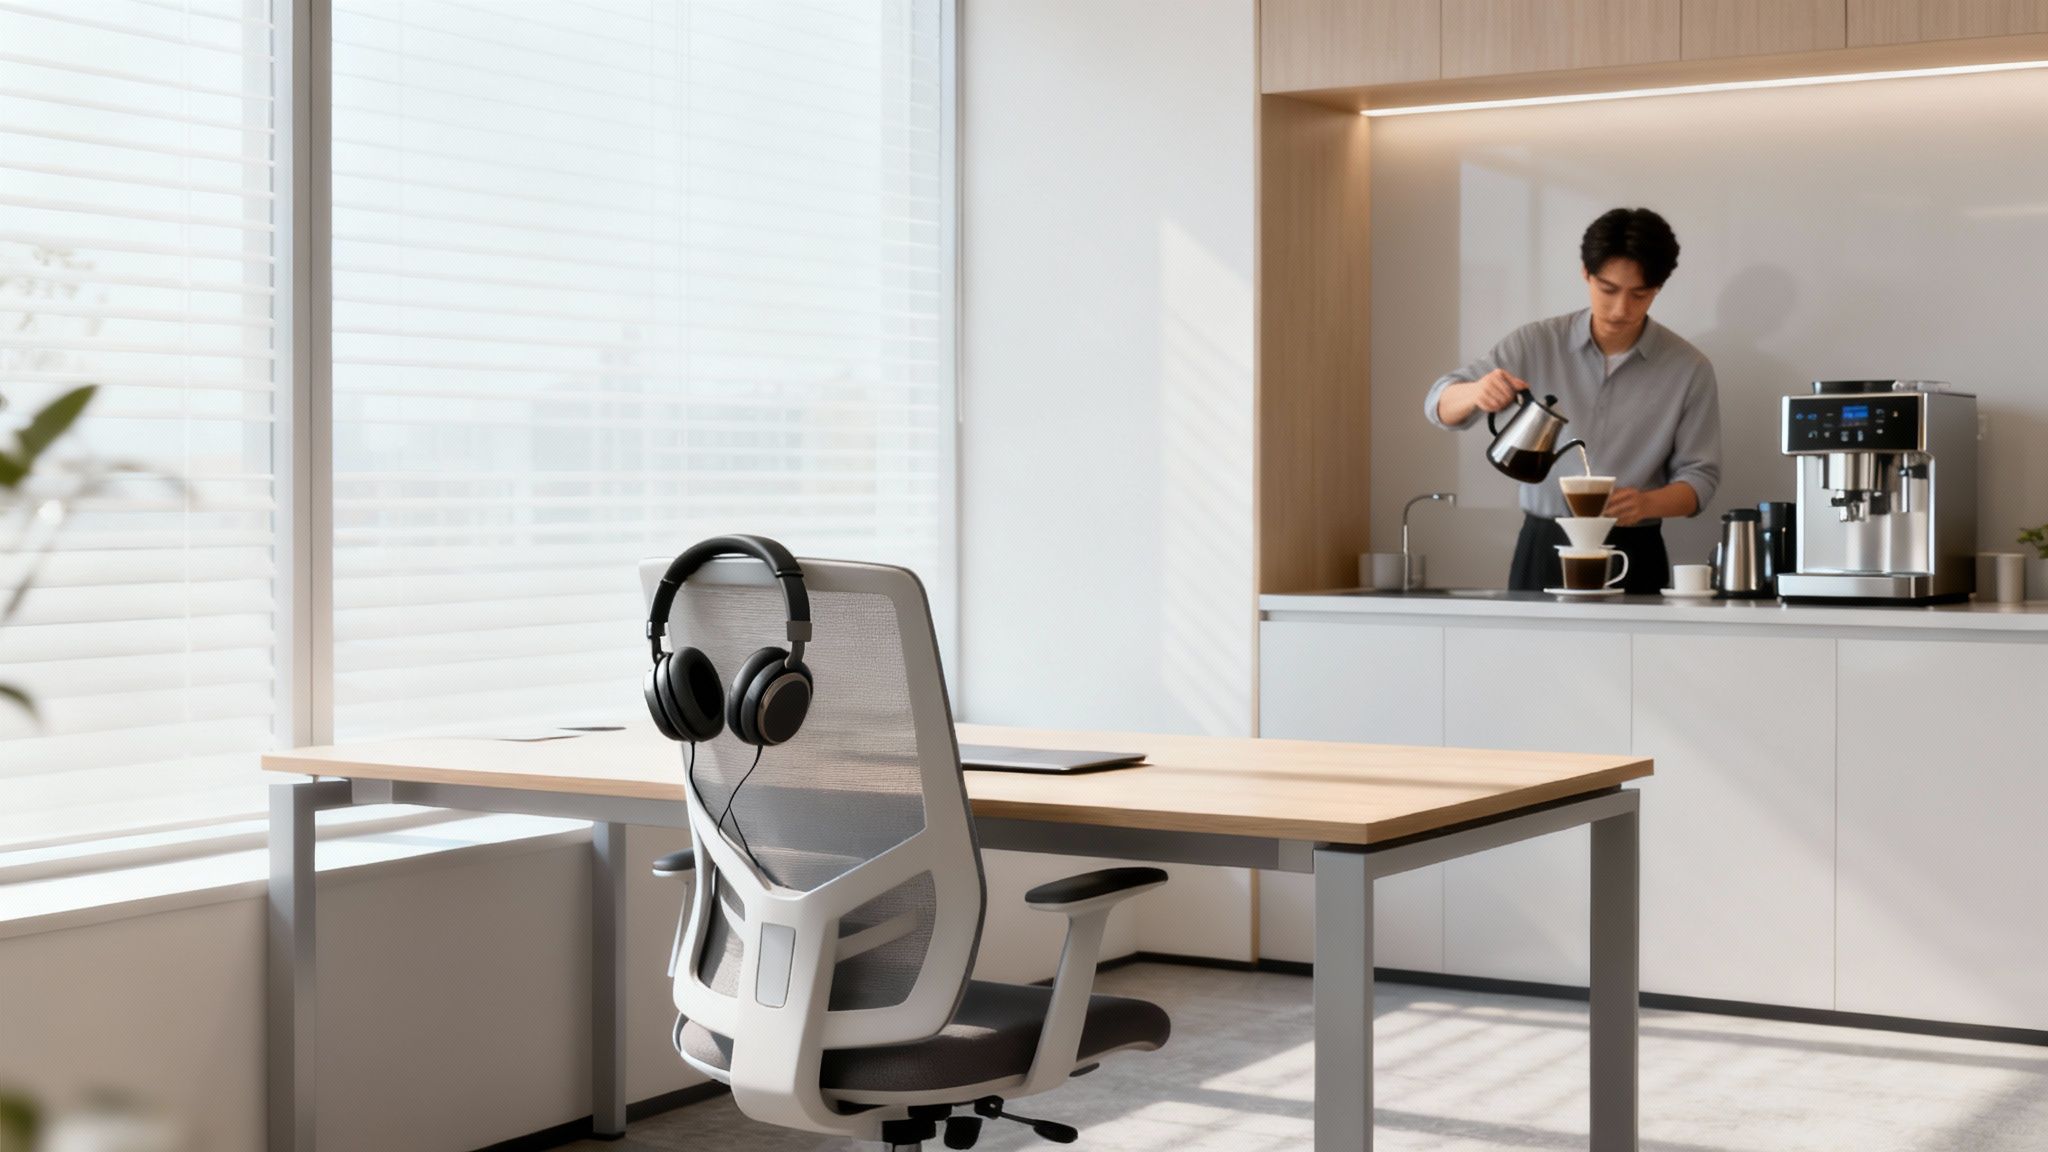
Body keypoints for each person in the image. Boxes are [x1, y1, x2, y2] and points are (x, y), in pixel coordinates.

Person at [1424, 207, 1722, 594]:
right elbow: (1438, 404)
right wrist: (1476, 392)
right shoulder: (1535, 343)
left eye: (1639, 295)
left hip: (1632, 548)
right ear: (1586, 274)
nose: (1621, 310)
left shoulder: (1688, 368)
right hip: (1543, 543)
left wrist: (1646, 504)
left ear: (1658, 289)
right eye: (1608, 289)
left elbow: (1701, 479)